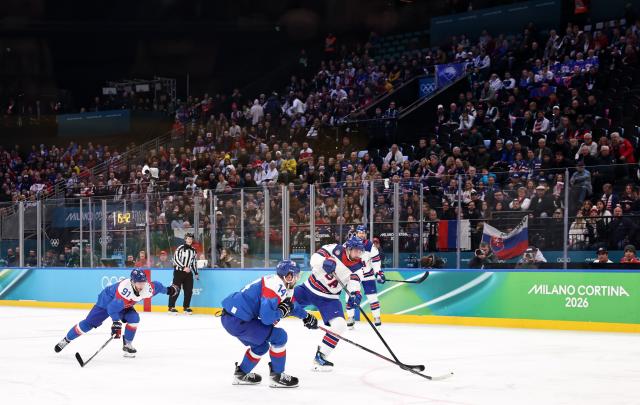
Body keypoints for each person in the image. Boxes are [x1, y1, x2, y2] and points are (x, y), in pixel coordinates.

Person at [221, 260, 318, 388]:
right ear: (288, 276)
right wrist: (281, 311)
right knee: (280, 336)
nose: (297, 278)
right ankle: (277, 376)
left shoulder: (280, 283)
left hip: (233, 318)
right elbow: (267, 318)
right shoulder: (274, 287)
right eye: (296, 275)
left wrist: (306, 316)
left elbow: (291, 305)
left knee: (261, 347)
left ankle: (241, 374)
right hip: (238, 320)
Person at [54, 269, 179, 356]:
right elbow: (112, 308)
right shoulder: (124, 290)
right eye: (138, 283)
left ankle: (128, 343)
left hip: (125, 304)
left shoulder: (147, 287)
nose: (141, 285)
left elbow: (157, 286)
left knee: (134, 318)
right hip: (106, 302)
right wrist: (116, 323)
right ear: (132, 282)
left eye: (143, 282)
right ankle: (66, 339)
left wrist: (169, 290)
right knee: (88, 324)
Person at [293, 236, 366, 371]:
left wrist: (355, 294)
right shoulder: (334, 249)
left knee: (340, 325)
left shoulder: (358, 267)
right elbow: (314, 258)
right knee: (283, 304)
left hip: (329, 298)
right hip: (308, 288)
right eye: (356, 251)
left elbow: (354, 284)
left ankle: (321, 356)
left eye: (360, 251)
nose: (358, 254)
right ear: (348, 248)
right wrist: (324, 261)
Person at [345, 225, 384, 328]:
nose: (361, 234)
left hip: (368, 275)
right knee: (350, 296)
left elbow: (376, 261)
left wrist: (378, 273)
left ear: (366, 233)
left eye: (363, 232)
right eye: (359, 232)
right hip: (354, 275)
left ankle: (376, 317)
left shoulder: (370, 246)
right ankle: (350, 317)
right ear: (356, 233)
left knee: (373, 297)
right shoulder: (349, 243)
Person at [169, 233, 198, 314]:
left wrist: (196, 272)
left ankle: (186, 307)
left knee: (189, 291)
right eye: (188, 239)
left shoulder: (194, 250)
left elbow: (194, 262)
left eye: (191, 239)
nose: (190, 240)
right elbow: (176, 259)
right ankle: (171, 307)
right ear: (185, 239)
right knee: (175, 290)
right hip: (179, 272)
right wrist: (183, 267)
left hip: (188, 273)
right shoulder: (180, 248)